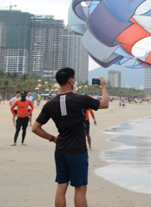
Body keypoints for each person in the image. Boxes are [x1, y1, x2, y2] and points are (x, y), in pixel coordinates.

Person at [32, 68, 109, 207]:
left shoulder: (50, 104)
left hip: (61, 150)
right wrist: (103, 87)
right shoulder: (80, 99)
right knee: (80, 188)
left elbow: (35, 128)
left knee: (61, 187)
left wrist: (53, 138)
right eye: (74, 78)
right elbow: (105, 104)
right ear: (70, 80)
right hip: (77, 151)